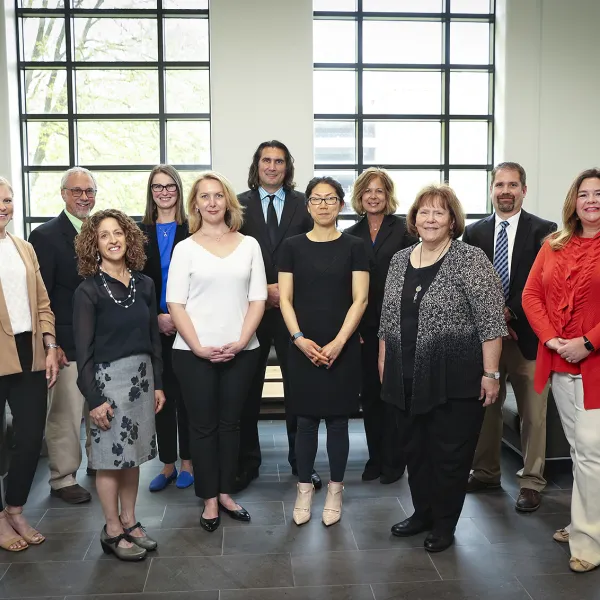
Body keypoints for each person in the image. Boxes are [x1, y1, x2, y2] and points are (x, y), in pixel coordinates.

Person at [379, 184, 507, 553]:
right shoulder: (400, 260)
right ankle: (423, 513)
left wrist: (491, 373)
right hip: (405, 377)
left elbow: (491, 323)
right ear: (414, 219)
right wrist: (384, 365)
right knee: (415, 452)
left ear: (452, 220)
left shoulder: (471, 259)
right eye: (423, 212)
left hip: (456, 378)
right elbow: (388, 320)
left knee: (449, 455)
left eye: (439, 212)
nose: (430, 219)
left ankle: (445, 524)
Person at [168, 171, 267, 533]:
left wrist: (241, 342)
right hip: (193, 352)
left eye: (218, 196)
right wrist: (197, 347)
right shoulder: (185, 248)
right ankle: (208, 498)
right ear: (195, 204)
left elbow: (258, 299)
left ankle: (226, 492)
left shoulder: (250, 245)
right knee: (203, 427)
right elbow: (175, 303)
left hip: (242, 350)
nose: (211, 202)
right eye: (204, 196)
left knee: (231, 425)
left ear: (228, 201)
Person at [463, 162, 557, 512]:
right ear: (491, 190)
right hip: (487, 339)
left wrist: (510, 312)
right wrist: (493, 316)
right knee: (487, 406)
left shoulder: (545, 231)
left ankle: (532, 480)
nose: (505, 191)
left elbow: (545, 281)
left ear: (524, 190)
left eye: (512, 185)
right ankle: (486, 472)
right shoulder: (474, 233)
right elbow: (469, 281)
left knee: (533, 413)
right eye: (499, 184)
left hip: (528, 338)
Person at [73, 209, 166, 561]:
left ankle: (130, 520)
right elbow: (83, 354)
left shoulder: (144, 284)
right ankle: (112, 528)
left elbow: (153, 338)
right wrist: (94, 399)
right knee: (110, 459)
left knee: (133, 458)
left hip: (141, 382)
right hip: (107, 385)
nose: (113, 240)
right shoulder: (88, 291)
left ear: (129, 237)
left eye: (118, 233)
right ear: (93, 245)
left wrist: (157, 383)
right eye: (104, 236)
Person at [279, 176, 369, 527]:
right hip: (302, 344)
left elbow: (360, 298)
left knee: (337, 421)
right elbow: (285, 299)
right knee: (304, 422)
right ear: (308, 205)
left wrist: (339, 342)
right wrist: (299, 338)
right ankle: (304, 488)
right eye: (316, 199)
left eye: (330, 199)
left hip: (341, 345)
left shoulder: (355, 246)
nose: (323, 205)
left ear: (341, 204)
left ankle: (335, 489)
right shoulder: (292, 246)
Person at [523, 168, 600, 573]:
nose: (592, 200)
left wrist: (586, 343)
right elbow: (531, 293)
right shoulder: (554, 244)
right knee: (580, 449)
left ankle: (588, 540)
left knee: (590, 452)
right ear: (574, 200)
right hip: (559, 362)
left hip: (595, 365)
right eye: (584, 194)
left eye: (599, 194)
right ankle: (583, 520)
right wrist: (554, 340)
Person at [237, 140, 318, 492]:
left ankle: (302, 462)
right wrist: (261, 290)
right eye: (266, 160)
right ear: (257, 165)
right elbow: (230, 255)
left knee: (299, 389)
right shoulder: (236, 203)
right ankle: (247, 462)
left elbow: (316, 251)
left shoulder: (305, 203)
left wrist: (281, 291)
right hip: (249, 311)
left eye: (279, 161)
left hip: (294, 311)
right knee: (246, 389)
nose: (272, 166)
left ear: (288, 167)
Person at [28, 167, 96, 504]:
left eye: (90, 191)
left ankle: (99, 462)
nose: (85, 197)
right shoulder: (45, 236)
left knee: (99, 407)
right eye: (77, 191)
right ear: (63, 194)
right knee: (65, 415)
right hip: (66, 342)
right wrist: (50, 343)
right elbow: (42, 297)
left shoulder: (101, 231)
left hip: (101, 341)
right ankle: (63, 478)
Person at [346, 167, 417, 484]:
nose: (373, 196)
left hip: (399, 326)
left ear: (388, 196)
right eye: (367, 191)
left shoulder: (405, 230)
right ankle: (375, 457)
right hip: (362, 328)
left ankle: (395, 460)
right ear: (359, 197)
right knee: (370, 396)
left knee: (395, 394)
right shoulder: (350, 233)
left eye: (379, 191)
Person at [0, 176, 59, 552]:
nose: (3, 206)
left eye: (7, 199)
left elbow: (42, 303)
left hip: (30, 351)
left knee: (31, 436)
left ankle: (15, 509)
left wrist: (51, 343)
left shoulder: (23, 247)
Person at [139, 165, 192, 492]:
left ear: (178, 189)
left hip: (187, 323)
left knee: (186, 397)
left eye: (170, 186)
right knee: (160, 397)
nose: (164, 192)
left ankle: (188, 462)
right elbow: (131, 282)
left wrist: (177, 316)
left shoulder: (193, 227)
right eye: (157, 187)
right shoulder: (137, 230)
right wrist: (155, 317)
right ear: (151, 192)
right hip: (152, 325)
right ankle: (168, 464)